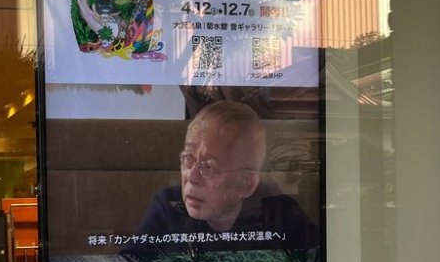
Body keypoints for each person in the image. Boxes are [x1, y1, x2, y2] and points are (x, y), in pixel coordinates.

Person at [128, 100, 317, 252]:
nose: (191, 177)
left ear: (246, 184)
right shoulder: (169, 207)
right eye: (188, 158)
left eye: (209, 166)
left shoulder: (281, 215)